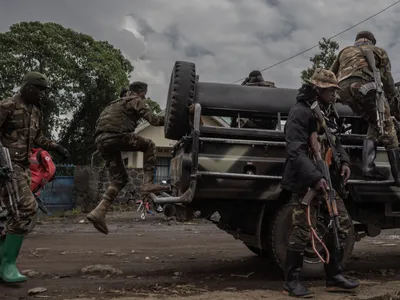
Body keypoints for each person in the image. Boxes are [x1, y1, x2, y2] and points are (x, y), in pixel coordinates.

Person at [281, 68, 359, 298]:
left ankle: (334, 276)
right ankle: (291, 282)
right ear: (318, 89)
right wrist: (315, 178)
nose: (334, 94)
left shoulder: (326, 112)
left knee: (341, 225)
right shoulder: (300, 112)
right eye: (330, 90)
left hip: (329, 181)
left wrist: (344, 162)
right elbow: (295, 151)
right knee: (302, 231)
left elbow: (336, 141)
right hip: (306, 183)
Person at [0, 72, 69, 283]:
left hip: (22, 166)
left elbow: (37, 137)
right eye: (39, 89)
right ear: (28, 87)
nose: (42, 94)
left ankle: (4, 262)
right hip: (6, 165)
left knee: (12, 214)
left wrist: (55, 146)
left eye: (44, 91)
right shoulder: (8, 105)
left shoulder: (36, 111)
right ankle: (7, 265)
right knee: (27, 208)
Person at [87, 81, 167, 235]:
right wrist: (175, 117)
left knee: (119, 179)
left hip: (101, 141)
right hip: (118, 136)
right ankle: (147, 183)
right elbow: (155, 120)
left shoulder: (114, 103)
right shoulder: (136, 100)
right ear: (140, 92)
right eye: (145, 93)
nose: (145, 96)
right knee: (149, 145)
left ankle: (99, 212)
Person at [330, 30, 400, 185]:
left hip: (343, 91)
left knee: (375, 121)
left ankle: (369, 167)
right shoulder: (378, 51)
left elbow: (330, 73)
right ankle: (398, 176)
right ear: (371, 41)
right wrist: (394, 102)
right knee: (387, 126)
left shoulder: (344, 51)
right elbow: (387, 81)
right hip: (365, 87)